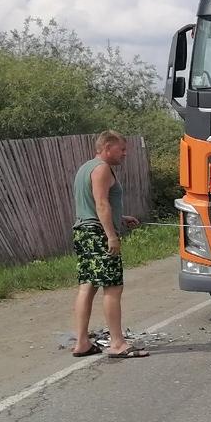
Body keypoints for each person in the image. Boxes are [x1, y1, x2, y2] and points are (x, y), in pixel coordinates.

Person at [69, 131, 147, 359]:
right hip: (97, 233)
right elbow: (101, 204)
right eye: (121, 149)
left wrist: (121, 217)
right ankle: (117, 343)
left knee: (88, 285)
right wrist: (111, 236)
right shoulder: (103, 168)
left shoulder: (87, 167)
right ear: (107, 147)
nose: (125, 154)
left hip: (83, 230)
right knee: (112, 287)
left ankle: (82, 342)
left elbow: (93, 203)